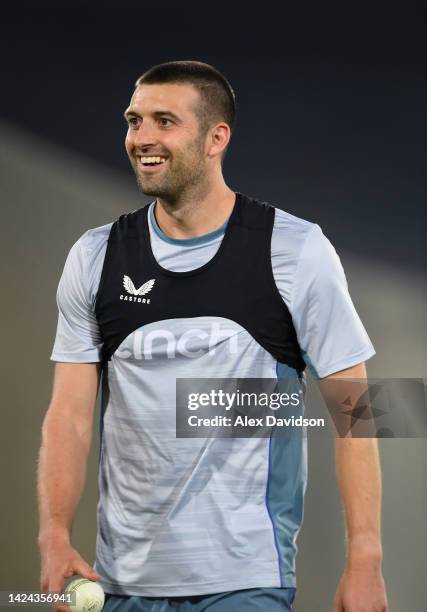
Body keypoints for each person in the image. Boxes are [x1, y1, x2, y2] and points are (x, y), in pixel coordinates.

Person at [37, 61, 388, 612]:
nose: (142, 138)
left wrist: (365, 559)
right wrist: (54, 537)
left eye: (164, 121)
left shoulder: (295, 249)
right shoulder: (95, 256)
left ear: (215, 138)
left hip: (245, 581)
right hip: (121, 584)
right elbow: (70, 416)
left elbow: (356, 409)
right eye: (134, 121)